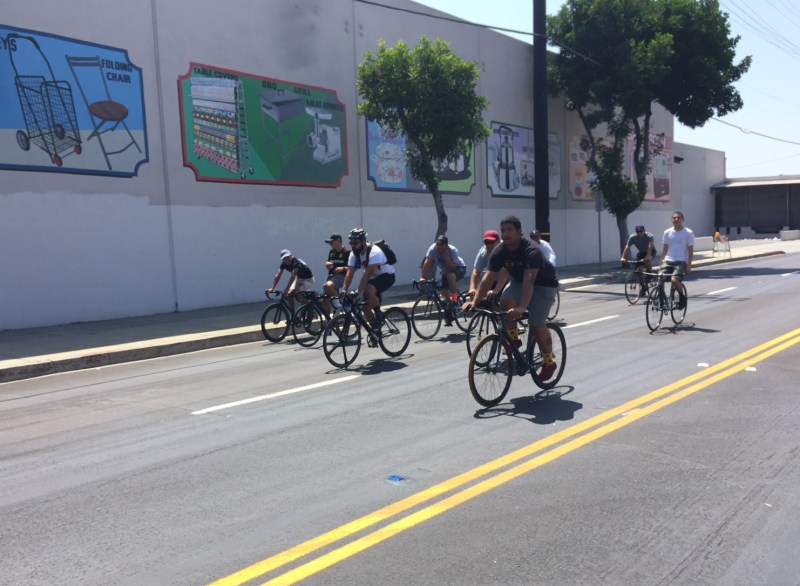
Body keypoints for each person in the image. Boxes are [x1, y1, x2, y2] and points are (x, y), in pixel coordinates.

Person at [463, 215, 560, 380]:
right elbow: (487, 278)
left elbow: (530, 280)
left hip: (544, 284)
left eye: (509, 230)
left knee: (536, 325)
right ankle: (514, 338)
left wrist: (522, 306)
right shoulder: (499, 251)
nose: (505, 234)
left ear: (520, 232)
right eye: (503, 230)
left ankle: (549, 361)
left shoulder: (532, 250)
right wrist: (474, 302)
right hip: (519, 280)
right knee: (505, 300)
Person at [341, 227, 395, 328]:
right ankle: (375, 331)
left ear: (363, 241)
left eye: (355, 243)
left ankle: (378, 314)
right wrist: (343, 291)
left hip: (387, 276)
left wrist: (358, 292)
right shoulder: (354, 254)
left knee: (368, 289)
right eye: (351, 243)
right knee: (365, 307)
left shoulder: (374, 251)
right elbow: (350, 273)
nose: (353, 246)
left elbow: (367, 274)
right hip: (373, 278)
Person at [660, 211, 695, 309]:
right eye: (674, 218)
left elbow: (690, 250)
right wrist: (661, 261)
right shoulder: (667, 232)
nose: (676, 219)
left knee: (674, 280)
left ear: (682, 219)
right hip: (668, 260)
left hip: (681, 261)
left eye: (678, 218)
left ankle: (682, 297)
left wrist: (689, 265)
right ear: (671, 220)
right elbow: (665, 249)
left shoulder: (688, 233)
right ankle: (660, 299)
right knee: (660, 277)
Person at [419, 235, 467, 302]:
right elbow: (427, 262)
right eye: (438, 244)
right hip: (446, 271)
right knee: (444, 294)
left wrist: (447, 257)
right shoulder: (433, 249)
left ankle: (454, 300)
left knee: (450, 276)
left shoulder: (453, 250)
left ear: (446, 245)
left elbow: (453, 268)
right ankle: (448, 309)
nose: (439, 246)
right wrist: (423, 277)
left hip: (459, 268)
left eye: (441, 245)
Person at [467, 229, 501, 301]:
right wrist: (472, 288)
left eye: (491, 242)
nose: (489, 245)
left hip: (508, 280)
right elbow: (476, 271)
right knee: (478, 298)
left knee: (504, 301)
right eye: (486, 242)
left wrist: (497, 290)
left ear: (498, 241)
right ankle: (453, 302)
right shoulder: (483, 252)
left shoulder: (505, 249)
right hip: (493, 280)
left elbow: (505, 274)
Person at [323, 233, 349, 315]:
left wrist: (343, 268)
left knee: (328, 286)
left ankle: (339, 305)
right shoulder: (332, 252)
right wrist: (327, 264)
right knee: (324, 300)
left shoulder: (347, 252)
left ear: (338, 241)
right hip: (331, 277)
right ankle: (328, 321)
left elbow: (353, 268)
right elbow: (329, 262)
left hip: (342, 276)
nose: (330, 244)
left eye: (332, 242)